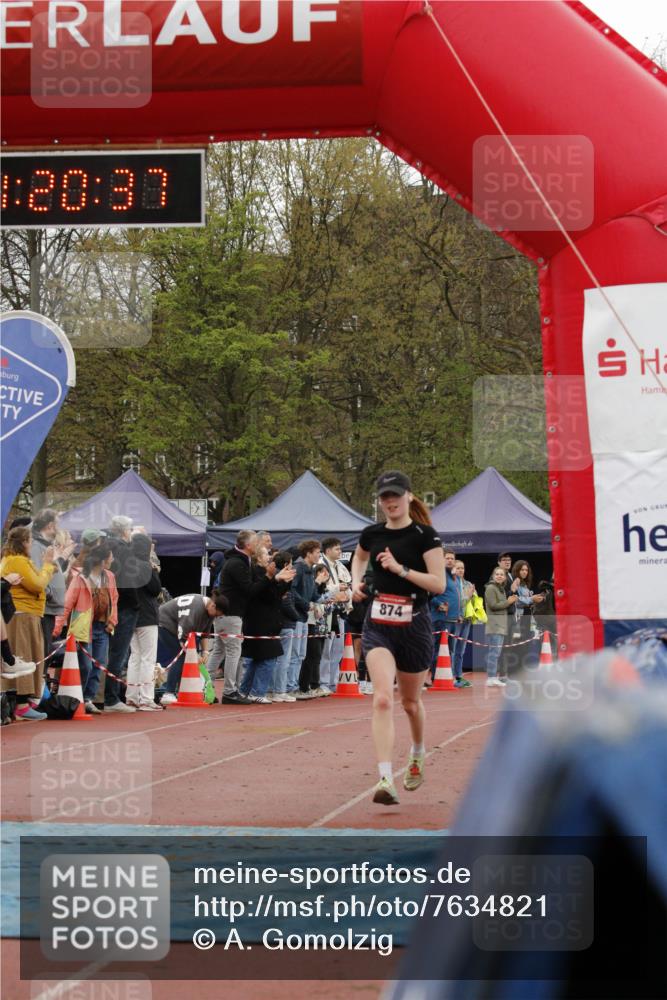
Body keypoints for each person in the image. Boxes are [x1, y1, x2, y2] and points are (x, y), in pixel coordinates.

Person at [351, 470, 445, 806]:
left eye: (395, 495)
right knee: (381, 699)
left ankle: (418, 752)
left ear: (408, 496)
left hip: (415, 624)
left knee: (409, 702)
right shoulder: (371, 533)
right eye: (384, 497)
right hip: (379, 624)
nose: (390, 502)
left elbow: (438, 584)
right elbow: (359, 558)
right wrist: (355, 585)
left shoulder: (425, 536)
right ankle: (385, 778)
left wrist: (400, 570)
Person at [0, 526, 57, 721]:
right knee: (23, 655)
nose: (31, 544)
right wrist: (48, 565)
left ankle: (24, 702)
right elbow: (38, 584)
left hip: (27, 614)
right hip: (22, 615)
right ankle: (22, 704)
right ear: (23, 542)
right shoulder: (17, 560)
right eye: (30, 540)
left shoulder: (13, 559)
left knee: (28, 655)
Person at [54, 541, 118, 714]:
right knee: (86, 665)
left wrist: (112, 621)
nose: (113, 559)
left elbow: (114, 598)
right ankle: (77, 698)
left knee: (99, 665)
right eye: (110, 556)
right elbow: (67, 603)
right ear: (103, 560)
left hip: (102, 627)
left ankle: (88, 698)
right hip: (84, 627)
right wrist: (58, 627)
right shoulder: (81, 577)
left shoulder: (109, 576)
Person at [239, 547, 296, 703]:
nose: (270, 557)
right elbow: (259, 593)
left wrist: (286, 582)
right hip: (259, 622)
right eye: (266, 555)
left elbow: (276, 596)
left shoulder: (267, 575)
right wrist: (274, 578)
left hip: (268, 622)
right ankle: (257, 692)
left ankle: (245, 691)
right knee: (269, 657)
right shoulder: (256, 573)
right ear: (258, 558)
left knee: (259, 658)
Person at [158, 590, 229, 703]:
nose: (215, 617)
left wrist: (205, 652)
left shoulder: (210, 611)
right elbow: (183, 638)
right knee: (181, 656)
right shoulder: (195, 610)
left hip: (180, 630)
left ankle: (182, 691)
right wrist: (195, 654)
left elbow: (205, 633)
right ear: (212, 605)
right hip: (165, 624)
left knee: (188, 658)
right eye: (215, 614)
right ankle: (168, 692)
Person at [218, 530, 259, 705]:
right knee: (233, 652)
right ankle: (229, 691)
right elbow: (249, 589)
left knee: (218, 651)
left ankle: (203, 686)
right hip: (231, 614)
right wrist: (270, 578)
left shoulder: (238, 561)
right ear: (248, 545)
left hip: (228, 613)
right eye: (256, 542)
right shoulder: (237, 564)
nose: (258, 545)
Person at [126, 533, 163, 711]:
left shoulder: (126, 565)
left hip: (131, 615)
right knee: (148, 658)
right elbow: (156, 590)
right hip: (147, 615)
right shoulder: (146, 566)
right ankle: (146, 699)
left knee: (135, 658)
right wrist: (154, 570)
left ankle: (131, 696)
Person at [288, 539, 323, 699]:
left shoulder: (310, 569)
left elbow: (314, 595)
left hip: (303, 617)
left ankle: (295, 686)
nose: (319, 555)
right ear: (308, 553)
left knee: (301, 654)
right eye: (317, 552)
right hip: (296, 616)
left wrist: (321, 586)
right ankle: (290, 687)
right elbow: (292, 590)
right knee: (295, 654)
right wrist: (304, 604)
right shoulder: (299, 568)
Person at [318, 537, 352, 694]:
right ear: (327, 550)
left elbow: (348, 585)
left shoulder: (340, 566)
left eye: (340, 548)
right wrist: (338, 588)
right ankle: (323, 682)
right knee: (326, 649)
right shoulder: (320, 565)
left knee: (337, 650)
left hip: (340, 611)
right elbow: (322, 587)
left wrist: (347, 598)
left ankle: (333, 682)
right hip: (326, 612)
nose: (340, 551)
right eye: (337, 549)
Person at [271, 551, 299, 702]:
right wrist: (298, 616)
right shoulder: (283, 580)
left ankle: (274, 689)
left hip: (278, 622)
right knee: (283, 659)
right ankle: (279, 690)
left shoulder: (275, 578)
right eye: (291, 562)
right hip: (285, 623)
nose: (293, 565)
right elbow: (286, 601)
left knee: (275, 659)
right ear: (286, 564)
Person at [484, 567, 518, 687]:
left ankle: (494, 677)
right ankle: (491, 678)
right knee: (494, 653)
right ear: (493, 576)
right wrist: (508, 602)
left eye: (501, 575)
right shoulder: (491, 588)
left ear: (504, 577)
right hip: (495, 625)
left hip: (501, 625)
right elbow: (493, 605)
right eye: (497, 574)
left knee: (497, 653)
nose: (499, 576)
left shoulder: (501, 589)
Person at [510, 559, 544, 670]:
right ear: (517, 570)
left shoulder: (525, 585)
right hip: (518, 618)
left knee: (524, 644)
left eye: (526, 570)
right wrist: (531, 599)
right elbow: (516, 600)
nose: (525, 572)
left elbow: (527, 599)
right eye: (522, 570)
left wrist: (535, 598)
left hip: (527, 618)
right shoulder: (515, 582)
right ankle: (515, 669)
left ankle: (521, 668)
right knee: (518, 645)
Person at [451, 560, 474, 688]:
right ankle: (450, 676)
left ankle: (459, 677)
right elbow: (458, 602)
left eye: (462, 568)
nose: (460, 570)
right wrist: (467, 597)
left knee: (461, 650)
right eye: (458, 568)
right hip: (455, 619)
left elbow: (471, 602)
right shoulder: (451, 584)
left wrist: (473, 596)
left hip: (467, 619)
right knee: (452, 649)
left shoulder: (468, 584)